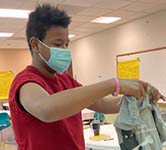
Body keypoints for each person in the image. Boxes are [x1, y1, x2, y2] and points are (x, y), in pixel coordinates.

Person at [9, 3, 165, 150]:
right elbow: (46, 109)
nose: (64, 50)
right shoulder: (25, 83)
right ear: (36, 45)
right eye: (57, 44)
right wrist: (113, 84)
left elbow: (102, 103)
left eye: (66, 44)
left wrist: (137, 97)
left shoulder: (65, 80)